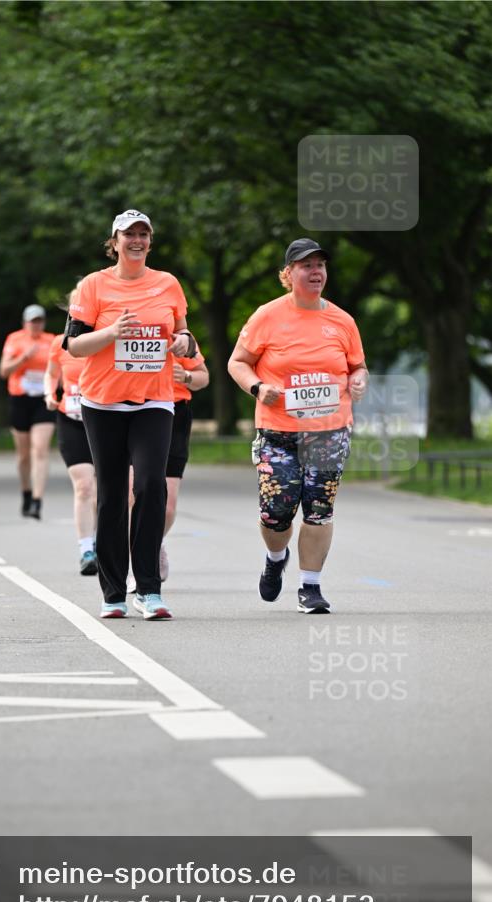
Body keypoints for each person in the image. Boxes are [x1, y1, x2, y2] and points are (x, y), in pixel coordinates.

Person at [65, 209, 196, 620]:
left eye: (143, 234)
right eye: (129, 235)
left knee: (152, 485)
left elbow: (187, 334)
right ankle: (113, 593)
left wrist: (184, 344)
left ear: (150, 242)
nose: (136, 241)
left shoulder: (168, 284)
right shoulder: (93, 286)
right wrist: (111, 333)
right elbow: (73, 345)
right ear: (115, 241)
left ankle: (150, 589)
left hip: (155, 400)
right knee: (111, 496)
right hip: (103, 402)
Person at [228, 238, 369, 613]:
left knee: (319, 508)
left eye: (320, 264)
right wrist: (258, 387)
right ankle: (276, 559)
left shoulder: (342, 320)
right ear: (288, 274)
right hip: (278, 431)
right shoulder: (267, 316)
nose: (316, 271)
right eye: (306, 266)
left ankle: (311, 587)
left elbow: (357, 366)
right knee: (276, 511)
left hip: (330, 430)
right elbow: (237, 362)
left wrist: (358, 379)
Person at [128, 345, 209, 589]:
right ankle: (140, 564)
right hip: (137, 410)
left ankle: (154, 542)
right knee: (136, 493)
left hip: (176, 415)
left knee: (168, 504)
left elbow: (203, 377)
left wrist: (185, 377)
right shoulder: (128, 330)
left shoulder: (181, 339)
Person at [45, 312, 98, 575]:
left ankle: (101, 542)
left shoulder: (106, 339)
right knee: (85, 486)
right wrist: (48, 392)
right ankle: (87, 550)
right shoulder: (60, 342)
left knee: (102, 491)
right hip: (71, 420)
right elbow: (51, 373)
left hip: (102, 420)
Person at [0, 304, 56, 519]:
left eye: (40, 320)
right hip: (20, 399)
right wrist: (23, 358)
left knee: (40, 450)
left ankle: (37, 501)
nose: (37, 324)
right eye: (33, 321)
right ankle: (26, 492)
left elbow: (62, 366)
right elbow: (3, 371)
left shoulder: (51, 341)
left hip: (43, 400)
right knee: (24, 455)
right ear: (25, 323)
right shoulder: (15, 340)